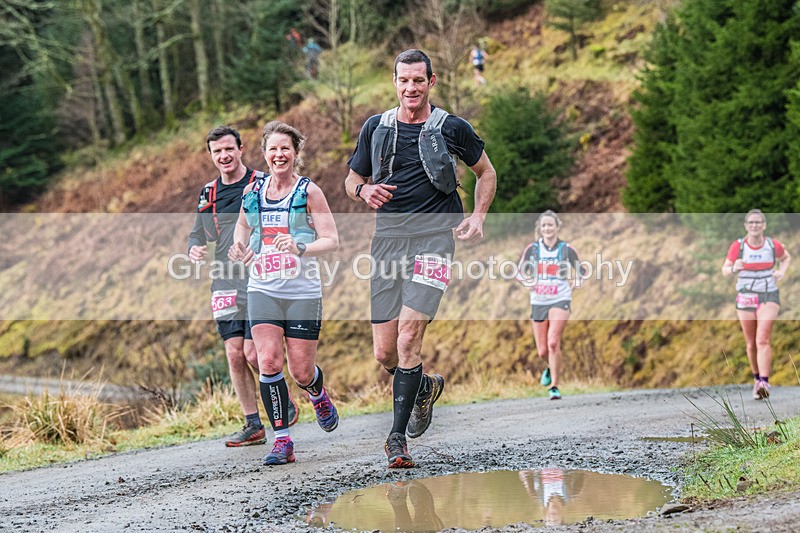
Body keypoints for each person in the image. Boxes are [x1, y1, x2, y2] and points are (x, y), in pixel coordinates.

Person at [345, 49, 497, 468]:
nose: (411, 88)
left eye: (418, 80)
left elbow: (487, 172)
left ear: (432, 81)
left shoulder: (451, 127)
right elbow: (352, 178)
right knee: (385, 353)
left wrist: (479, 217)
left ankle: (396, 440)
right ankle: (424, 386)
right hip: (387, 244)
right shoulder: (376, 127)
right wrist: (363, 191)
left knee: (410, 336)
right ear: (394, 83)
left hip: (433, 242)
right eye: (403, 80)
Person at [228, 120, 340, 465]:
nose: (279, 155)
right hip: (262, 288)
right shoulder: (253, 194)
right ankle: (283, 440)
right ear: (264, 154)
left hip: (302, 291)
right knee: (269, 361)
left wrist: (300, 248)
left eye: (285, 149)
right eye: (272, 149)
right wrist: (239, 248)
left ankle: (317, 393)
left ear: (295, 154)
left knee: (302, 371)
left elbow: (332, 240)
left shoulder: (309, 192)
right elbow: (243, 227)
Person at [187, 125, 298, 447]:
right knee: (234, 353)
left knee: (252, 352)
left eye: (228, 149)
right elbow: (199, 233)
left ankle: (282, 400)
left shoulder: (261, 184)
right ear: (210, 155)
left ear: (240, 149)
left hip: (260, 277)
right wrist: (194, 248)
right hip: (223, 279)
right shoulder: (209, 192)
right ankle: (253, 424)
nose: (223, 156)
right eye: (217, 151)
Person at [722, 209, 790, 400]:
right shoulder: (738, 247)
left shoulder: (772, 245)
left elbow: (786, 258)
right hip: (745, 298)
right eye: (751, 222)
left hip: (768, 296)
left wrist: (781, 272)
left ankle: (765, 381)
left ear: (764, 225)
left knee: (762, 339)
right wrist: (734, 267)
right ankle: (756, 379)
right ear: (746, 225)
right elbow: (725, 269)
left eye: (758, 222)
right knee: (751, 343)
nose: (754, 225)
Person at [515, 210, 584, 400]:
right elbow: (520, 273)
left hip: (561, 299)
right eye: (544, 225)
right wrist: (527, 282)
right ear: (540, 228)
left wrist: (576, 282)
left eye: (550, 225)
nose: (547, 228)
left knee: (553, 342)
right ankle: (551, 365)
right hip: (538, 301)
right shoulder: (533, 249)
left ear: (557, 227)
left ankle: (554, 385)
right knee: (542, 350)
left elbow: (581, 271)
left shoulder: (566, 249)